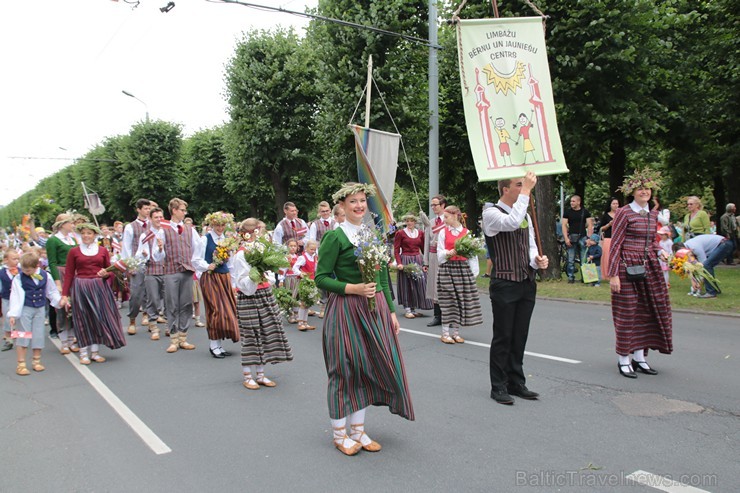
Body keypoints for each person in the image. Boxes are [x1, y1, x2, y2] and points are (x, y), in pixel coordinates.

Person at [315, 182, 414, 456]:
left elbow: (382, 275)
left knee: (366, 368)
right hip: (347, 309)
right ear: (342, 207)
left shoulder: (372, 235)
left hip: (376, 309)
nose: (359, 206)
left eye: (362, 201)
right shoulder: (334, 238)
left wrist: (392, 311)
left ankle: (358, 430)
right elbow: (320, 278)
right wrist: (353, 288)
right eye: (352, 202)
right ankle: (339, 434)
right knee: (344, 370)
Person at [482, 172, 549, 405]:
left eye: (525, 185)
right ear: (505, 189)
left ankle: (516, 382)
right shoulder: (490, 213)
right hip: (504, 283)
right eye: (519, 185)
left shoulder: (525, 216)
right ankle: (498, 386)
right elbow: (510, 223)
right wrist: (528, 192)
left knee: (520, 335)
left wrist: (537, 260)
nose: (524, 188)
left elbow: (529, 246)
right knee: (503, 335)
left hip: (526, 282)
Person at [609, 169, 672, 379]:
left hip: (649, 267)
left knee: (646, 311)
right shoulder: (624, 213)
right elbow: (616, 244)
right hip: (627, 266)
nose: (644, 192)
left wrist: (660, 252)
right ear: (632, 192)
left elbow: (651, 241)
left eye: (647, 189)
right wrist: (614, 274)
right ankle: (623, 359)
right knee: (627, 312)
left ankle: (639, 357)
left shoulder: (653, 214)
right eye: (640, 189)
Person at [230, 218, 293, 390]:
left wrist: (266, 274)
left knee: (265, 332)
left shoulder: (261, 249)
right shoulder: (241, 254)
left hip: (264, 294)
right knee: (251, 335)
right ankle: (248, 375)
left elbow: (270, 274)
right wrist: (254, 277)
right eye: (261, 232)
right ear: (251, 233)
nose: (264, 236)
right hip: (249, 297)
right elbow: (241, 281)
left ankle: (261, 374)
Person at [61, 224, 126, 365]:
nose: (86, 235)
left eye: (89, 233)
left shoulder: (102, 250)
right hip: (81, 286)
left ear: (94, 235)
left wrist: (105, 273)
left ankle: (95, 352)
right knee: (82, 318)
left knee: (99, 317)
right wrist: (65, 294)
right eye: (83, 233)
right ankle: (84, 352)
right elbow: (69, 274)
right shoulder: (74, 252)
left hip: (98, 287)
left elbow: (109, 271)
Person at [7, 251, 65, 375]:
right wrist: (13, 314)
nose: (26, 272)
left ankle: (36, 361)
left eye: (28, 270)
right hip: (24, 309)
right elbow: (15, 296)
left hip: (39, 309)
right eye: (24, 269)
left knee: (38, 334)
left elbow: (51, 291)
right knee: (23, 335)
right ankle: (21, 364)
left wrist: (59, 301)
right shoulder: (18, 277)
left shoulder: (45, 275)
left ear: (36, 266)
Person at [193, 211, 240, 358]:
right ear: (212, 225)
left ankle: (219, 344)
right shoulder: (205, 240)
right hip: (210, 278)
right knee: (215, 310)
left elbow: (231, 264)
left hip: (224, 278)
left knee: (227, 311)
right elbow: (195, 260)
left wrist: (233, 283)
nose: (220, 228)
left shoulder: (227, 240)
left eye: (222, 225)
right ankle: (213, 344)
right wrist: (207, 266)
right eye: (217, 225)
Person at [436, 206, 483, 343]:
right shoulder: (443, 233)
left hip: (462, 269)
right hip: (448, 268)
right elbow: (439, 252)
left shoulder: (466, 232)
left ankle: (456, 333)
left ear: (456, 216)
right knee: (448, 301)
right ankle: (445, 333)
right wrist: (447, 253)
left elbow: (472, 255)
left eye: (446, 217)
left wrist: (473, 273)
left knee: (459, 300)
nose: (444, 220)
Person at [160, 198, 201, 353]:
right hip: (171, 271)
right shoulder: (163, 230)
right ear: (174, 210)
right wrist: (159, 249)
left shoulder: (190, 230)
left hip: (187, 270)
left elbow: (198, 248)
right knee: (171, 305)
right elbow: (158, 255)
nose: (185, 213)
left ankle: (183, 337)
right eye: (182, 210)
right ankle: (173, 338)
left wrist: (196, 265)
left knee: (186, 305)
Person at [45, 213, 78, 354]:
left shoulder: (73, 239)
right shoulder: (53, 240)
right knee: (63, 308)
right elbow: (52, 262)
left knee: (74, 308)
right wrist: (58, 282)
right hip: (62, 273)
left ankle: (72, 339)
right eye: (70, 222)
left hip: (74, 274)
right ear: (63, 224)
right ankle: (64, 341)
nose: (73, 225)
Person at [394, 213, 433, 319]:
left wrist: (427, 262)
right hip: (406, 259)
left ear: (415, 222)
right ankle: (407, 309)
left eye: (411, 220)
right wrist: (399, 263)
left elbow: (424, 248)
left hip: (417, 259)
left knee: (420, 283)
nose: (409, 222)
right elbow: (396, 250)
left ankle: (414, 308)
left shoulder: (420, 233)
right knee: (406, 284)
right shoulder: (400, 233)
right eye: (407, 221)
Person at [136, 207, 167, 340]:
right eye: (156, 217)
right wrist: (144, 255)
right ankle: (153, 324)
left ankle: (168, 324)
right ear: (150, 219)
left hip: (166, 269)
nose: (159, 220)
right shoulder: (146, 235)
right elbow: (139, 253)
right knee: (153, 299)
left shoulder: (166, 233)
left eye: (161, 217)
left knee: (168, 299)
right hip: (152, 269)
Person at [683, 234, 734, 298]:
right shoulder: (688, 245)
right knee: (707, 266)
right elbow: (694, 267)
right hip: (723, 244)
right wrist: (693, 281)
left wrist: (699, 283)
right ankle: (715, 290)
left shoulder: (695, 248)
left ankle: (711, 292)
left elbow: (702, 267)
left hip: (724, 244)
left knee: (707, 266)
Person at [423, 194, 447, 326]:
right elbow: (427, 242)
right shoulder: (430, 222)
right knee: (434, 286)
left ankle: (448, 315)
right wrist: (425, 261)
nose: (433, 207)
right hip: (433, 257)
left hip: (446, 256)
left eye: (435, 205)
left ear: (443, 205)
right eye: (431, 205)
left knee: (446, 285)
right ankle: (437, 316)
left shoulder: (449, 220)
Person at [561, 195, 593, 283]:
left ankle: (585, 277)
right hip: (571, 237)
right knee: (570, 259)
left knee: (584, 259)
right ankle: (571, 277)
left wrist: (589, 238)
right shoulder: (567, 212)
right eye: (571, 201)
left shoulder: (585, 212)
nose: (571, 203)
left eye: (573, 201)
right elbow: (563, 225)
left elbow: (590, 225)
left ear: (579, 202)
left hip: (583, 237)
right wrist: (566, 238)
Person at [291, 239, 319, 331]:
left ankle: (305, 322)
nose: (313, 251)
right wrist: (300, 273)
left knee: (308, 303)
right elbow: (295, 267)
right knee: (303, 303)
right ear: (306, 248)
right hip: (304, 282)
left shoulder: (314, 258)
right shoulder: (302, 258)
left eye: (314, 249)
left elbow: (314, 269)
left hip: (311, 282)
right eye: (311, 249)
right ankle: (300, 322)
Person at [1, 249, 21, 351]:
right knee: (7, 318)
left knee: (19, 319)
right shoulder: (2, 272)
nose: (16, 261)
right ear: (5, 260)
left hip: (19, 299)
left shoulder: (21, 271)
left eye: (18, 259)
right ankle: (9, 340)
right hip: (7, 298)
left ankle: (21, 340)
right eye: (14, 259)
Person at [599, 197, 620, 281]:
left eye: (617, 204)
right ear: (610, 205)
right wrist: (609, 225)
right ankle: (607, 275)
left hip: (618, 238)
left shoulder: (621, 214)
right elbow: (601, 228)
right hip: (608, 238)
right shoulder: (606, 215)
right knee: (607, 257)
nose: (615, 205)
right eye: (613, 204)